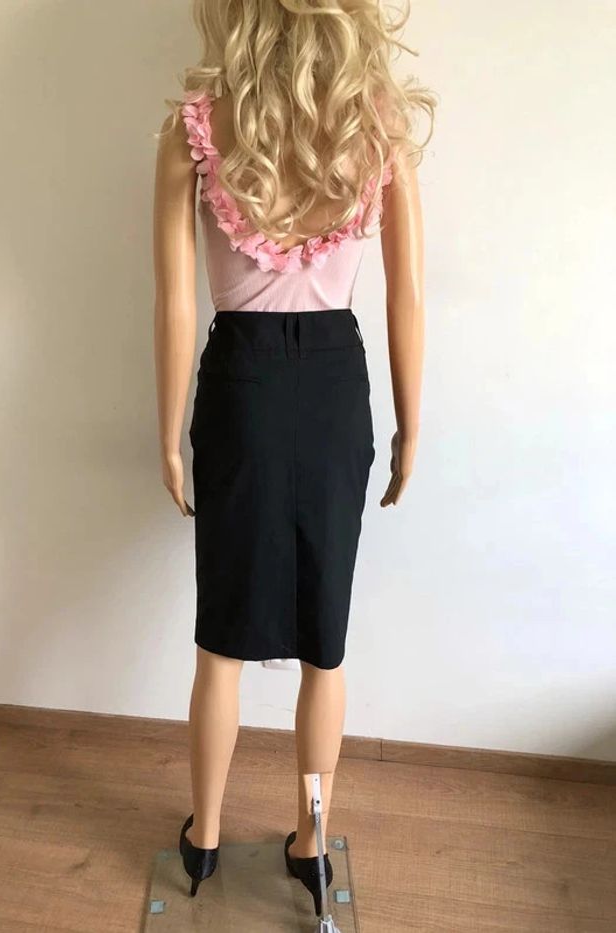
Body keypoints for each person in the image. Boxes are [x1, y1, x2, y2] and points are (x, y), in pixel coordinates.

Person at [153, 0, 435, 916]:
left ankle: (203, 837)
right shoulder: (374, 125)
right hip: (333, 391)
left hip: (239, 387)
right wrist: (411, 424)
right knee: (325, 640)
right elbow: (408, 296)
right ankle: (312, 844)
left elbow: (175, 302)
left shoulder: (195, 128)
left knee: (221, 639)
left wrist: (168, 430)